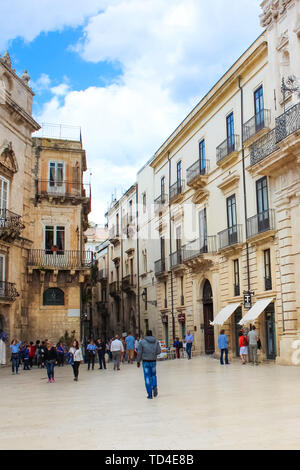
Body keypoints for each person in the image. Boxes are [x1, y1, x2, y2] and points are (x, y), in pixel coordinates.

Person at [137, 330, 161, 399]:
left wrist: (138, 361)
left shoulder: (142, 342)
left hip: (145, 362)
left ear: (146, 335)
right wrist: (153, 353)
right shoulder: (156, 341)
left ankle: (150, 394)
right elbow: (159, 351)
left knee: (147, 377)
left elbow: (139, 353)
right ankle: (154, 386)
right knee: (153, 375)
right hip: (153, 361)